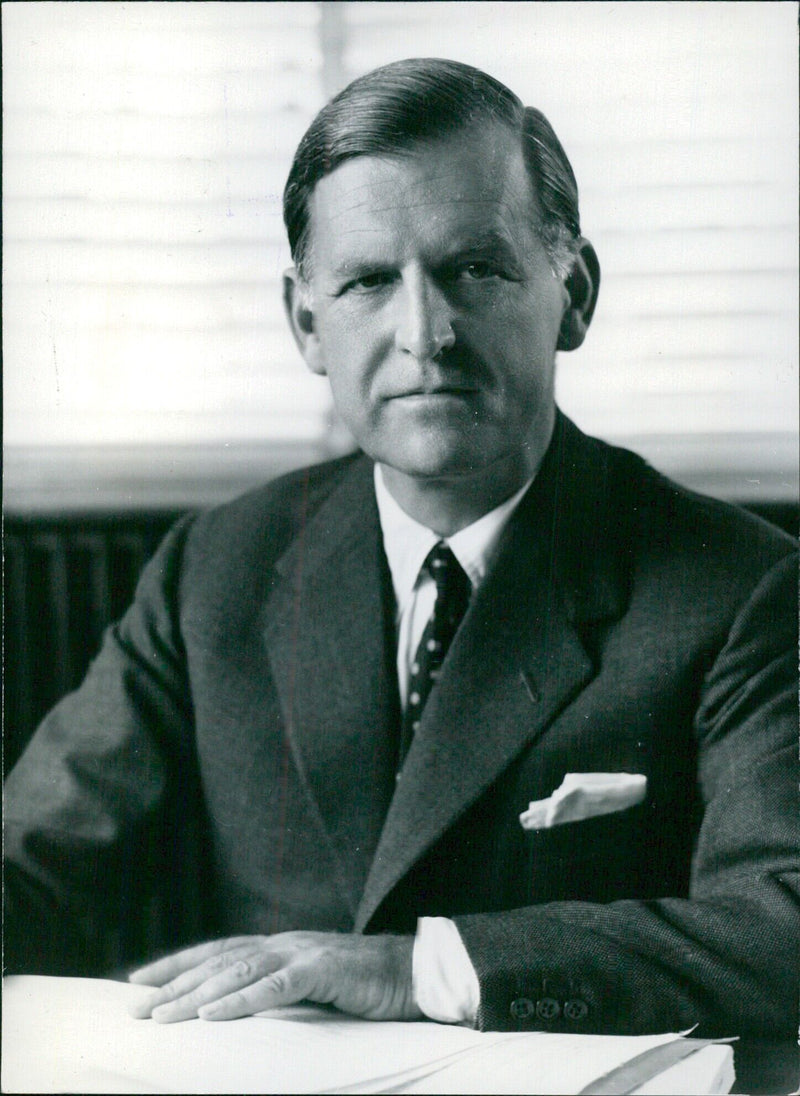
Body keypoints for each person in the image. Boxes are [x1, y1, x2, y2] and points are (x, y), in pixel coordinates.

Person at [5, 58, 797, 1039]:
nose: (425, 333)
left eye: (474, 268)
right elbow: (30, 866)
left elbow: (780, 929)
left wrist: (415, 968)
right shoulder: (217, 566)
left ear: (574, 292)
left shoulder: (739, 588)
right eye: (369, 282)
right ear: (306, 323)